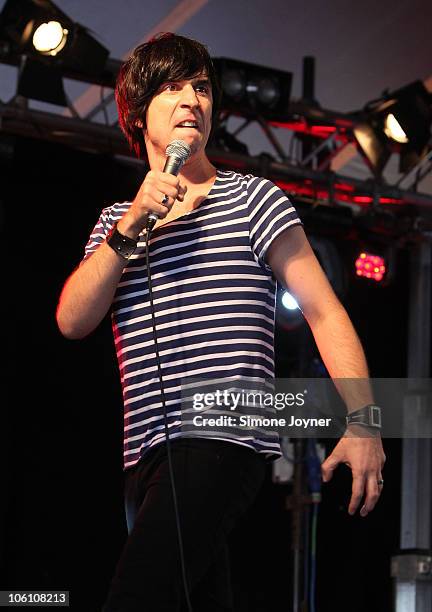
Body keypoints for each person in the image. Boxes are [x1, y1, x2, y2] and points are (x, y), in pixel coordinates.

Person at [56, 33, 386, 612]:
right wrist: (130, 226)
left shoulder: (254, 199)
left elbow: (324, 310)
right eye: (172, 87)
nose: (192, 100)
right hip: (145, 456)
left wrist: (364, 422)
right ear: (136, 114)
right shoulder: (117, 221)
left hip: (222, 435)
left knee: (134, 600)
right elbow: (72, 320)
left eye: (202, 88)